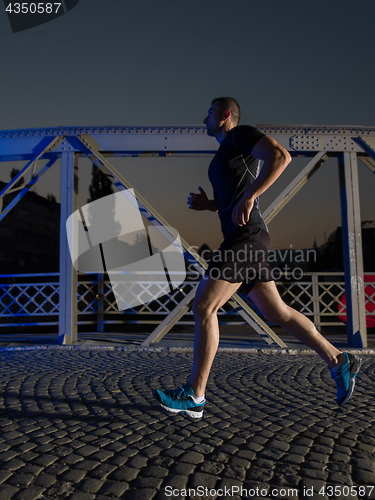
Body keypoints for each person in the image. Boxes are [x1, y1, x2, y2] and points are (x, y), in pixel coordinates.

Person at [153, 97, 362, 418]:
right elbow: (233, 201)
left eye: (209, 114)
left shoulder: (239, 135)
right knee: (278, 312)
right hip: (248, 237)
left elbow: (281, 156)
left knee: (204, 306)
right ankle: (339, 360)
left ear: (225, 116)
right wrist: (210, 205)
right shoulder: (226, 152)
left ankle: (195, 396)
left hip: (245, 237)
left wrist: (251, 196)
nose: (203, 119)